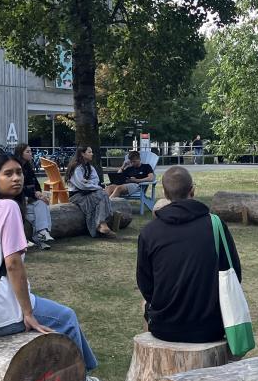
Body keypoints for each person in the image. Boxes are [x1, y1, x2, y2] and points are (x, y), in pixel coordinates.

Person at [0, 153, 105, 381]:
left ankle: (82, 373)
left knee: (56, 312)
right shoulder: (8, 208)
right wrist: (28, 313)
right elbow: (12, 265)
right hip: (3, 312)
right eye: (8, 174)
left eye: (19, 173)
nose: (16, 178)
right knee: (66, 317)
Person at [136, 165, 242, 342]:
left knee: (144, 305)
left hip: (165, 327)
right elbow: (234, 273)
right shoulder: (215, 225)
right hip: (211, 326)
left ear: (165, 193)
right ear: (192, 190)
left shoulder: (149, 232)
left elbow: (146, 285)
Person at [66, 146, 114, 237]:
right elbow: (82, 185)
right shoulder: (76, 168)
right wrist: (93, 186)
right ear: (82, 154)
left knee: (102, 194)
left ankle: (101, 225)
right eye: (89, 152)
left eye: (91, 152)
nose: (92, 154)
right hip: (77, 196)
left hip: (89, 192)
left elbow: (96, 180)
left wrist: (89, 182)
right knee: (102, 194)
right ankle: (101, 224)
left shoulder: (89, 167)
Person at [14, 143, 54, 249]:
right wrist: (35, 194)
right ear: (20, 153)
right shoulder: (15, 168)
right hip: (19, 201)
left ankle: (42, 234)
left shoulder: (28, 166)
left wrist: (39, 193)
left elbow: (35, 183)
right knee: (38, 213)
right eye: (27, 151)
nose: (31, 154)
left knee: (42, 204)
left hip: (31, 200)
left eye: (30, 151)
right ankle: (41, 235)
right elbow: (19, 188)